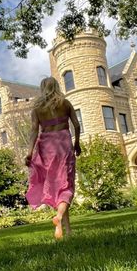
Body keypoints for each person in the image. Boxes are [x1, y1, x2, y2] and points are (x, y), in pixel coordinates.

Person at [25, 76, 81, 239]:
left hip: (46, 147)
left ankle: (66, 230)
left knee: (57, 185)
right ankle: (59, 217)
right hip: (63, 144)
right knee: (67, 186)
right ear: (56, 86)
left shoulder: (37, 108)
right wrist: (77, 143)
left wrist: (30, 152)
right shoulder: (65, 102)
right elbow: (76, 125)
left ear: (42, 89)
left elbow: (34, 130)